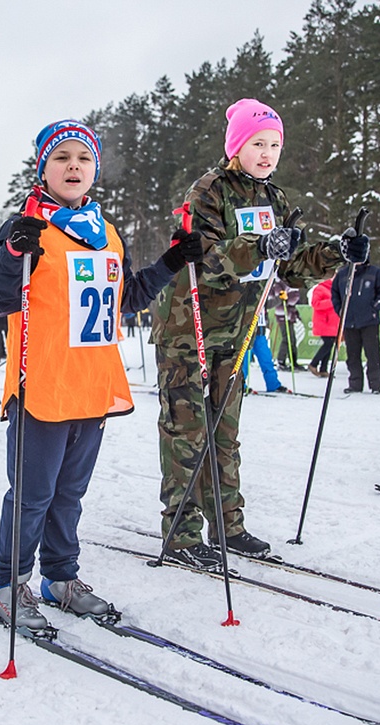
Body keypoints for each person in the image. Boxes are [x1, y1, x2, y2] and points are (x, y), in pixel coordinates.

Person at [0, 118, 204, 629]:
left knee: (69, 495)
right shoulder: (27, 226)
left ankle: (60, 578)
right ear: (44, 168)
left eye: (83, 158)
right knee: (32, 495)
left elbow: (124, 300)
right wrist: (15, 251)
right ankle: (7, 584)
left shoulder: (105, 233)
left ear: (95, 169)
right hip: (42, 384)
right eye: (62, 158)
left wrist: (171, 261)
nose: (73, 166)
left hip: (92, 386)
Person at [150, 99, 349, 568]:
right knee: (188, 432)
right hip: (189, 328)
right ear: (236, 145)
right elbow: (206, 257)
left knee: (225, 433)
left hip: (236, 334)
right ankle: (181, 535)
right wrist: (259, 246)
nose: (267, 153)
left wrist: (336, 252)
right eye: (257, 143)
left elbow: (291, 268)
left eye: (275, 145)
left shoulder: (274, 199)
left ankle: (228, 526)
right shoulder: (209, 190)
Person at [331, 254, 380, 393]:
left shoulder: (375, 272)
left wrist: (374, 307)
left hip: (369, 321)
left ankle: (375, 385)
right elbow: (335, 294)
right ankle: (355, 384)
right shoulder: (342, 274)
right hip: (349, 321)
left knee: (372, 354)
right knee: (352, 355)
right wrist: (340, 310)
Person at [241, 308, 290, 393]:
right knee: (245, 361)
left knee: (266, 359)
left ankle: (273, 384)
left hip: (260, 332)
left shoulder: (264, 295)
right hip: (247, 329)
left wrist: (280, 297)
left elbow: (270, 303)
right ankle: (241, 385)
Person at [307, 278, 338, 377]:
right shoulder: (320, 289)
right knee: (328, 344)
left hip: (331, 322)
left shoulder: (333, 290)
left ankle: (323, 369)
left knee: (329, 344)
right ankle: (314, 364)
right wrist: (331, 302)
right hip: (324, 321)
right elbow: (315, 304)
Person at [269, 280, 302, 370]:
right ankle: (281, 361)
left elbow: (293, 299)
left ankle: (293, 361)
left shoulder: (289, 284)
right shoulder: (279, 285)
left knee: (292, 339)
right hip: (282, 314)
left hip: (290, 314)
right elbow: (282, 299)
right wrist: (288, 298)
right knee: (286, 339)